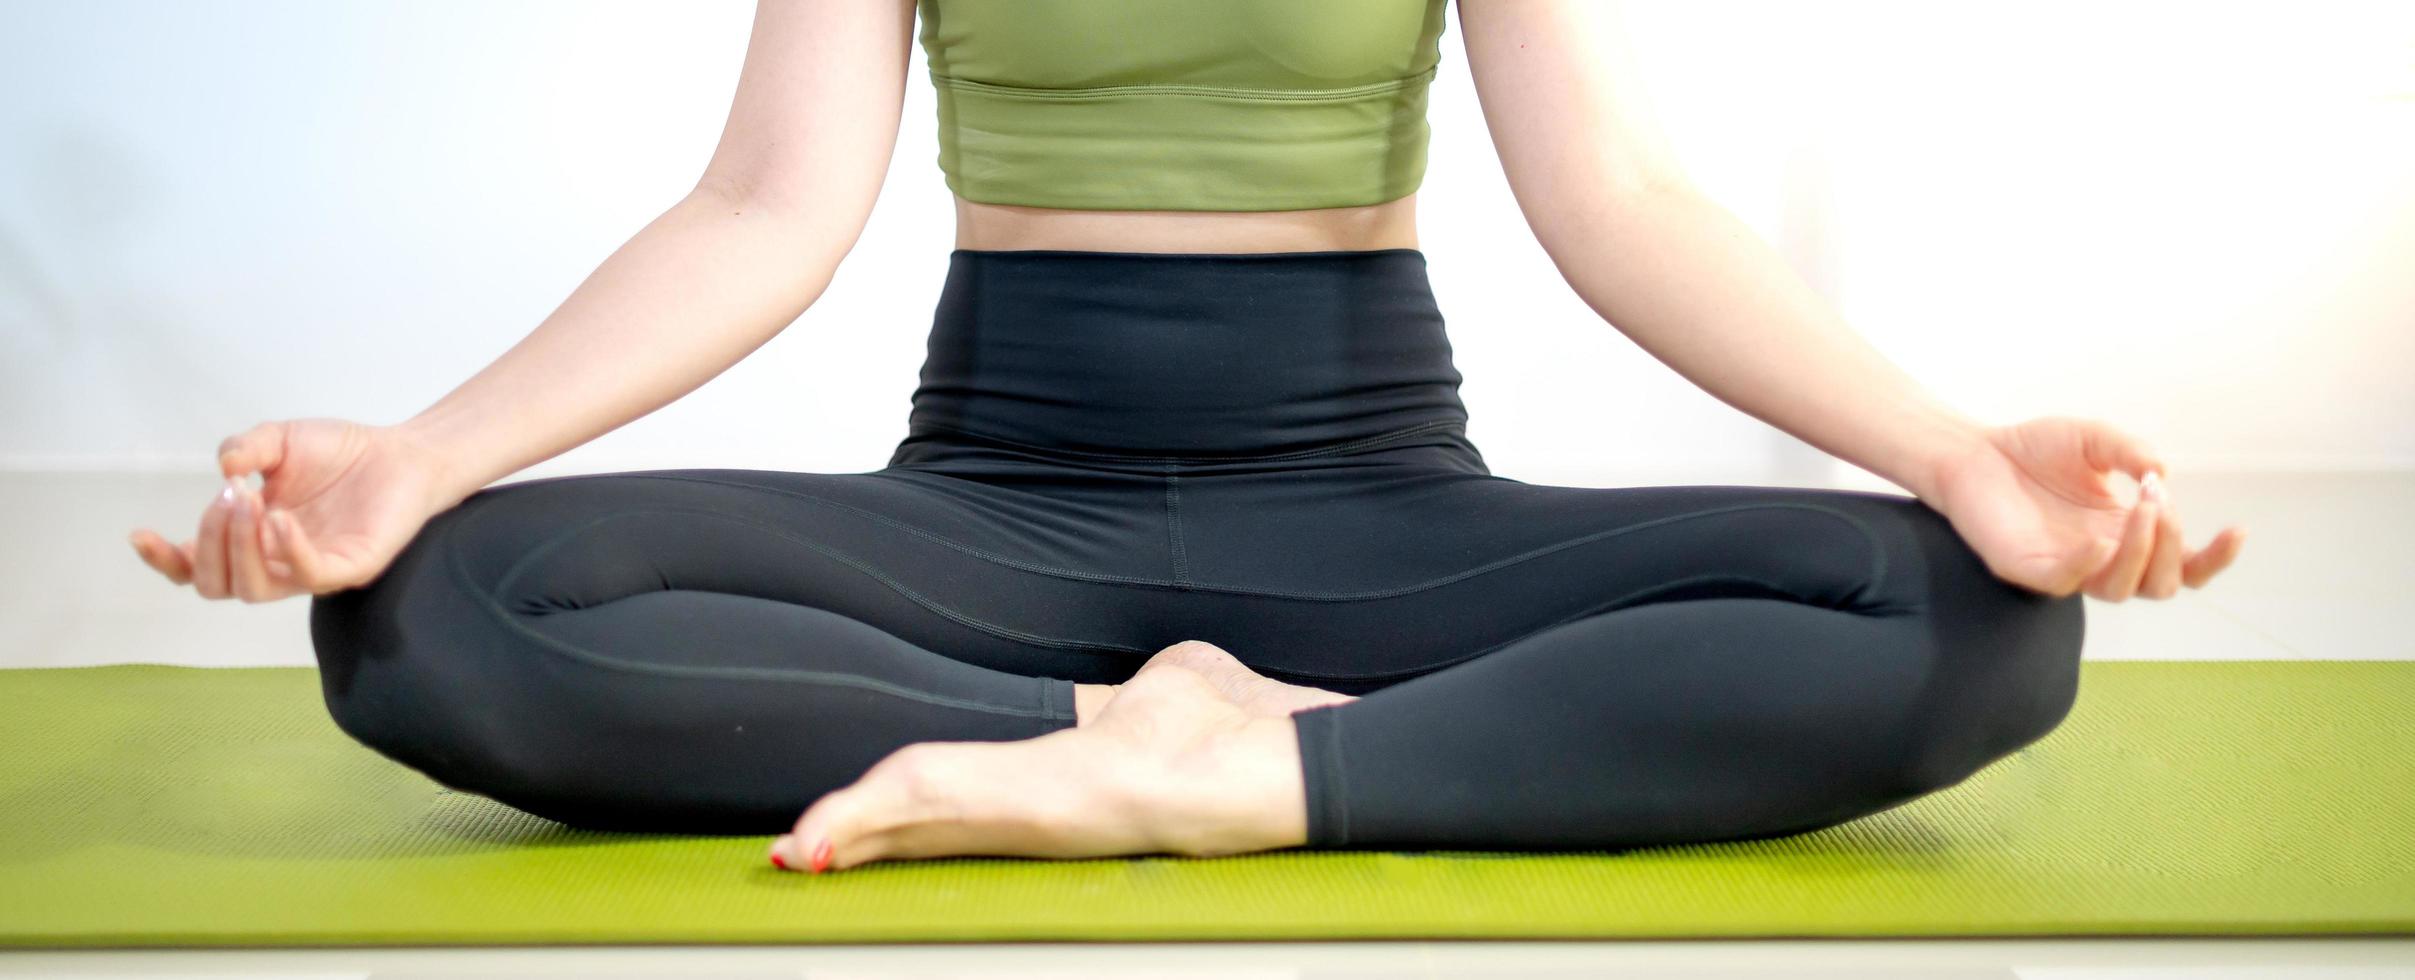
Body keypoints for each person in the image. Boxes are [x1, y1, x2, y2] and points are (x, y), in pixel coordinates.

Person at [129, 0, 2244, 876]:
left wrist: (1954, 453)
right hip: (988, 504)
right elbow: (764, 209)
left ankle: (1254, 762)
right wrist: (423, 452)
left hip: (1380, 503)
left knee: (1974, 620)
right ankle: (1101, 730)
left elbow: (1619, 205)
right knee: (439, 608)